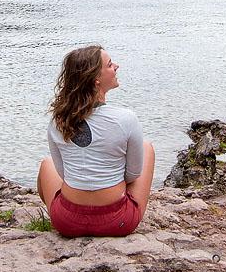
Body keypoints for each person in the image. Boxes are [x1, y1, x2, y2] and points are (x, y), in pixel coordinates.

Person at [37, 45, 155, 238]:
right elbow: (133, 174)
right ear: (96, 79)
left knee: (46, 164)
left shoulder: (58, 121)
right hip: (117, 222)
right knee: (147, 147)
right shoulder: (125, 119)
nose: (116, 66)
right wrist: (108, 182)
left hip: (67, 223)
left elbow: (64, 174)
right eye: (109, 65)